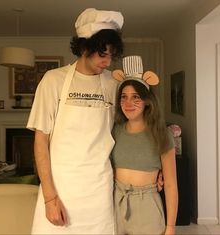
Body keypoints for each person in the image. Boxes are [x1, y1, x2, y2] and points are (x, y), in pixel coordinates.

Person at [27, 8, 124, 234]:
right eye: (102, 54)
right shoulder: (53, 81)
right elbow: (41, 142)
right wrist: (50, 198)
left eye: (111, 55)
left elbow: (130, 129)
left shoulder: (114, 84)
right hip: (61, 186)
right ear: (83, 48)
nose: (108, 62)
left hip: (99, 187)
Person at [111, 56, 178, 235]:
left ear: (147, 101)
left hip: (147, 205)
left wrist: (170, 226)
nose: (128, 103)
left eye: (136, 97)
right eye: (123, 97)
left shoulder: (162, 135)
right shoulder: (114, 132)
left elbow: (170, 184)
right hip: (116, 202)